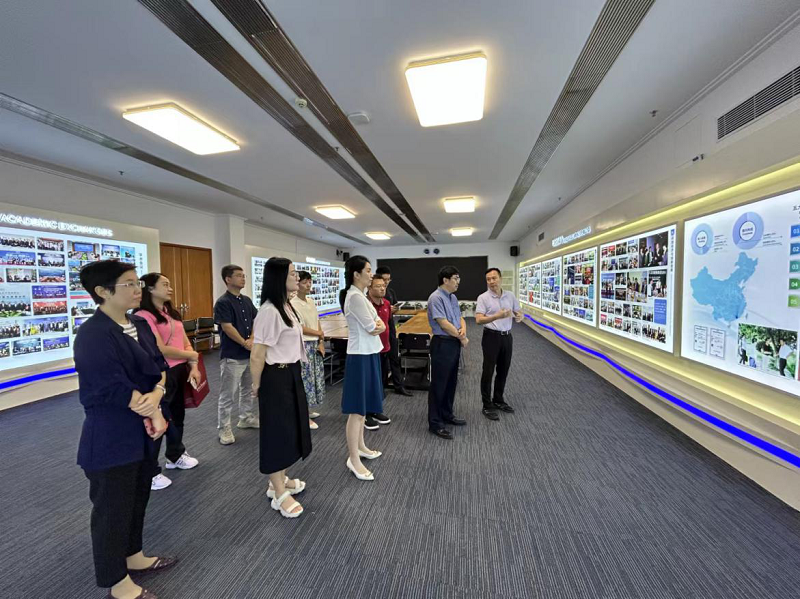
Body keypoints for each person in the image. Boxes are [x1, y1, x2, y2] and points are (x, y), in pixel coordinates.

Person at [74, 260, 177, 599]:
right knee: (112, 510)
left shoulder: (139, 324)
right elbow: (108, 385)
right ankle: (117, 582)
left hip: (144, 430)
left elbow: (158, 366)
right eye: (128, 284)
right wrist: (151, 409)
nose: (137, 290)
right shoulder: (93, 334)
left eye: (137, 283)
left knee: (137, 497)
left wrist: (157, 396)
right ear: (102, 292)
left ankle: (134, 555)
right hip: (112, 434)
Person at [250, 258, 312, 518]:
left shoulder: (286, 306)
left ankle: (279, 479)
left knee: (289, 430)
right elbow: (257, 354)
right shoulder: (269, 311)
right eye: (292, 273)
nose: (297, 277)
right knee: (277, 433)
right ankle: (278, 492)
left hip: (290, 374)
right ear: (278, 277)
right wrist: (257, 385)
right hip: (275, 377)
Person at [136, 272, 202, 491]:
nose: (170, 288)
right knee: (159, 420)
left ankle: (175, 454)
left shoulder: (170, 313)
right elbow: (160, 349)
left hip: (180, 370)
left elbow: (185, 342)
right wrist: (191, 355)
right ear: (150, 289)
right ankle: (150, 471)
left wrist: (193, 364)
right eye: (164, 285)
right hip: (161, 373)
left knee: (177, 416)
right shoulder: (143, 316)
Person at [340, 255, 385, 480]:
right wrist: (378, 325)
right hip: (359, 356)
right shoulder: (355, 297)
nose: (371, 274)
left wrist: (378, 325)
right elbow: (372, 326)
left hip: (368, 353)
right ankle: (353, 459)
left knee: (363, 408)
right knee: (357, 411)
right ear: (356, 274)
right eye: (368, 270)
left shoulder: (361, 296)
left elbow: (380, 323)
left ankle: (361, 447)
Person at [213, 264, 259, 445]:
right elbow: (227, 327)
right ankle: (224, 428)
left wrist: (252, 338)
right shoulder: (223, 302)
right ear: (228, 279)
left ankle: (245, 418)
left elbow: (255, 320)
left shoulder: (246, 300)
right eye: (239, 275)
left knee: (248, 389)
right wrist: (244, 342)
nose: (243, 278)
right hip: (232, 355)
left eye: (244, 275)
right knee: (228, 394)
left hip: (249, 354)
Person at [475, 268, 523, 421]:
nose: (491, 282)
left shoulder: (510, 295)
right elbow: (478, 320)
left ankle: (498, 399)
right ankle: (486, 405)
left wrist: (519, 316)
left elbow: (518, 311)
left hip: (507, 337)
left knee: (503, 370)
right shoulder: (483, 298)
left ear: (500, 279)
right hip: (491, 337)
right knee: (488, 371)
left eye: (494, 278)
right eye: (488, 279)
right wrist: (496, 316)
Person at [427, 266, 468, 440]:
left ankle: (447, 414)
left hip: (453, 342)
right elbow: (443, 324)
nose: (458, 281)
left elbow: (459, 318)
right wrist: (462, 338)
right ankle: (435, 423)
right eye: (455, 278)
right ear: (445, 280)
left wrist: (463, 331)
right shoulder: (435, 297)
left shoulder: (452, 297)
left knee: (451, 382)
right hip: (442, 343)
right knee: (439, 384)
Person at [290, 271, 325, 430]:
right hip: (303, 344)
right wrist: (318, 334)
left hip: (315, 343)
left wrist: (321, 340)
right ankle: (303, 415)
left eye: (310, 281)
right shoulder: (293, 303)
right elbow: (299, 327)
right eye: (305, 282)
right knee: (305, 380)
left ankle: (307, 409)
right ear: (297, 284)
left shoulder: (311, 301)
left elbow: (317, 321)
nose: (308, 285)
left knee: (314, 378)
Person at [374, 266, 412, 397]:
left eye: (388, 280)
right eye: (383, 280)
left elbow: (394, 308)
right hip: (378, 333)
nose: (385, 283)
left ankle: (398, 386)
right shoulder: (371, 296)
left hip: (390, 330)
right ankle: (381, 387)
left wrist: (394, 309)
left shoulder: (390, 292)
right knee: (382, 363)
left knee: (395, 359)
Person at [366, 276, 392, 428]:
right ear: (369, 288)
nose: (382, 288)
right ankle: (366, 413)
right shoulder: (366, 305)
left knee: (380, 382)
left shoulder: (387, 304)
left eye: (384, 286)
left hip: (384, 348)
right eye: (378, 286)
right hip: (370, 350)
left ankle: (376, 409)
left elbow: (386, 325)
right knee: (369, 383)